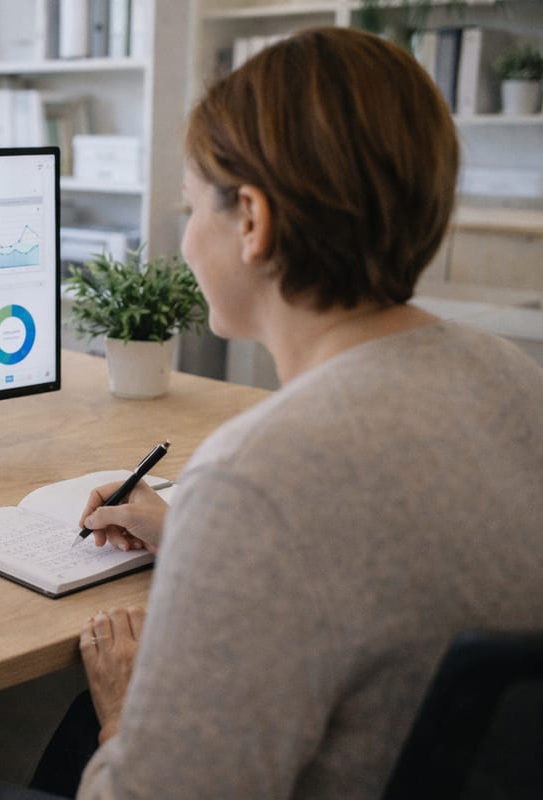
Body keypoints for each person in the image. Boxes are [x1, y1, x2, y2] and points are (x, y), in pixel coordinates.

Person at [62, 26, 543, 799]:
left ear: (251, 220)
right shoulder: (513, 379)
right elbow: (388, 561)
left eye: (191, 208)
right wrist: (196, 532)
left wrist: (119, 713)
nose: (185, 241)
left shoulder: (261, 471)